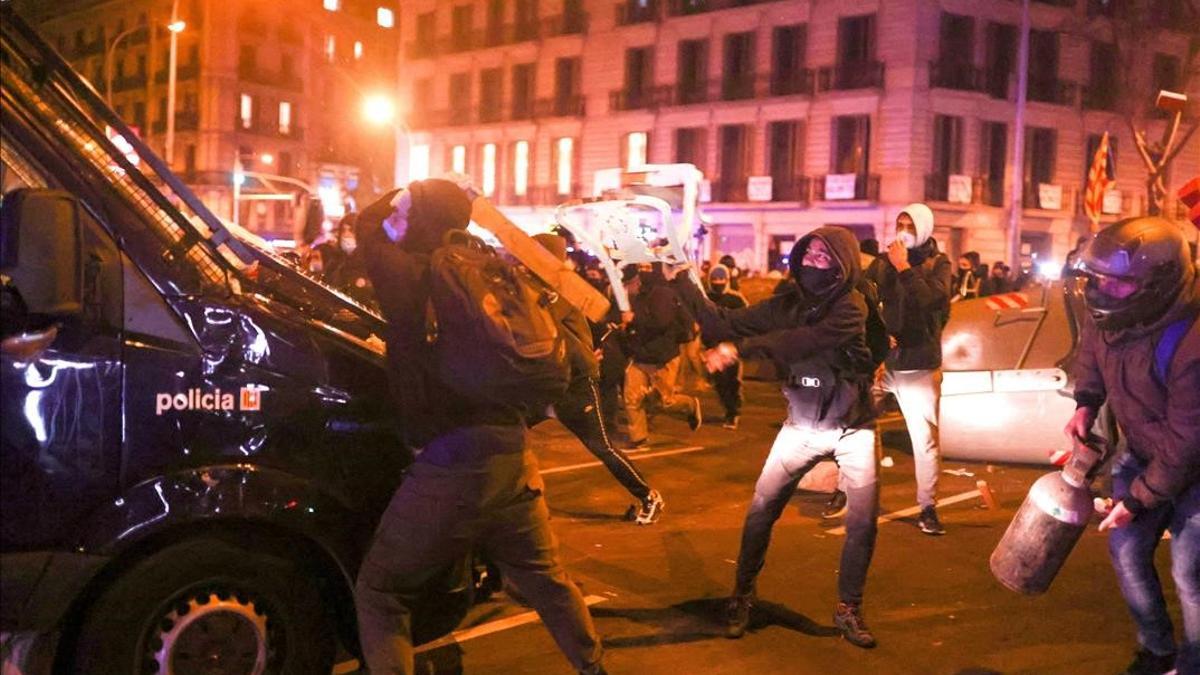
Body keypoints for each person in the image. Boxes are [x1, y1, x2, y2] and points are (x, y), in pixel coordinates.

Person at [352, 180, 605, 675]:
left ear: (420, 218)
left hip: (453, 463)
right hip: (514, 454)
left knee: (381, 594)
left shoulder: (409, 276)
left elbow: (367, 228)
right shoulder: (492, 272)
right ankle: (594, 668)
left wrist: (401, 192)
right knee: (548, 582)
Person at [673, 228, 881, 648]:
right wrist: (682, 279)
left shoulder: (851, 306)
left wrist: (739, 350)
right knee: (760, 511)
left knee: (862, 523)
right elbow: (722, 320)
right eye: (810, 252)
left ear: (844, 264)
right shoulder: (786, 305)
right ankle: (742, 595)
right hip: (800, 427)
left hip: (852, 428)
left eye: (827, 255)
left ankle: (849, 608)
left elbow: (803, 340)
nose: (816, 260)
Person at [1065, 217, 1199, 675]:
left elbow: (1186, 445)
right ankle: (1156, 648)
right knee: (1126, 550)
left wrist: (1138, 500)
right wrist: (1086, 403)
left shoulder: (1193, 343)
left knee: (1191, 574)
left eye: (1117, 282)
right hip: (1145, 453)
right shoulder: (1111, 313)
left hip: (1195, 468)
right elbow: (1093, 354)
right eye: (1097, 278)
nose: (1101, 289)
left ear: (1157, 285)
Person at [532, 233, 665, 525]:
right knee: (503, 435)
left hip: (576, 383)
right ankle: (518, 511)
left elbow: (568, 328)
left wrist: (593, 351)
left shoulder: (558, 294)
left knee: (600, 445)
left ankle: (647, 496)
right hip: (547, 383)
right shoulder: (539, 290)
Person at [868, 203, 952, 535]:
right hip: (882, 363)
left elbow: (933, 301)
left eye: (910, 225)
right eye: (900, 223)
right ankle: (853, 493)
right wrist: (878, 333)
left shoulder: (938, 264)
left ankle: (928, 507)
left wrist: (904, 267)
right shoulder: (883, 262)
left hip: (918, 364)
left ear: (925, 230)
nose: (903, 230)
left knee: (924, 439)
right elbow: (867, 298)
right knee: (858, 427)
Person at [621, 264, 704, 449]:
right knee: (632, 397)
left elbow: (661, 322)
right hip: (641, 355)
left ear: (638, 279)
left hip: (663, 356)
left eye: (629, 283)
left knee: (663, 401)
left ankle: (690, 406)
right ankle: (639, 438)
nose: (627, 287)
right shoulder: (639, 295)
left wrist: (633, 319)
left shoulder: (662, 294)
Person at [705, 264, 748, 429]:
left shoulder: (736, 299)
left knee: (732, 381)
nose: (718, 282)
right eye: (715, 279)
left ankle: (733, 413)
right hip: (713, 347)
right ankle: (728, 409)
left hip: (731, 346)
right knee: (720, 383)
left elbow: (746, 320)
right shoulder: (706, 298)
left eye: (721, 279)